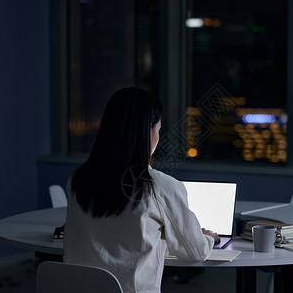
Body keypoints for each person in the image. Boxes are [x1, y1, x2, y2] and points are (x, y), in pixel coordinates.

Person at [63, 87, 220, 293]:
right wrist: (209, 238)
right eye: (158, 130)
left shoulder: (77, 180)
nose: (159, 137)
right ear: (147, 132)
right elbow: (195, 251)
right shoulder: (160, 186)